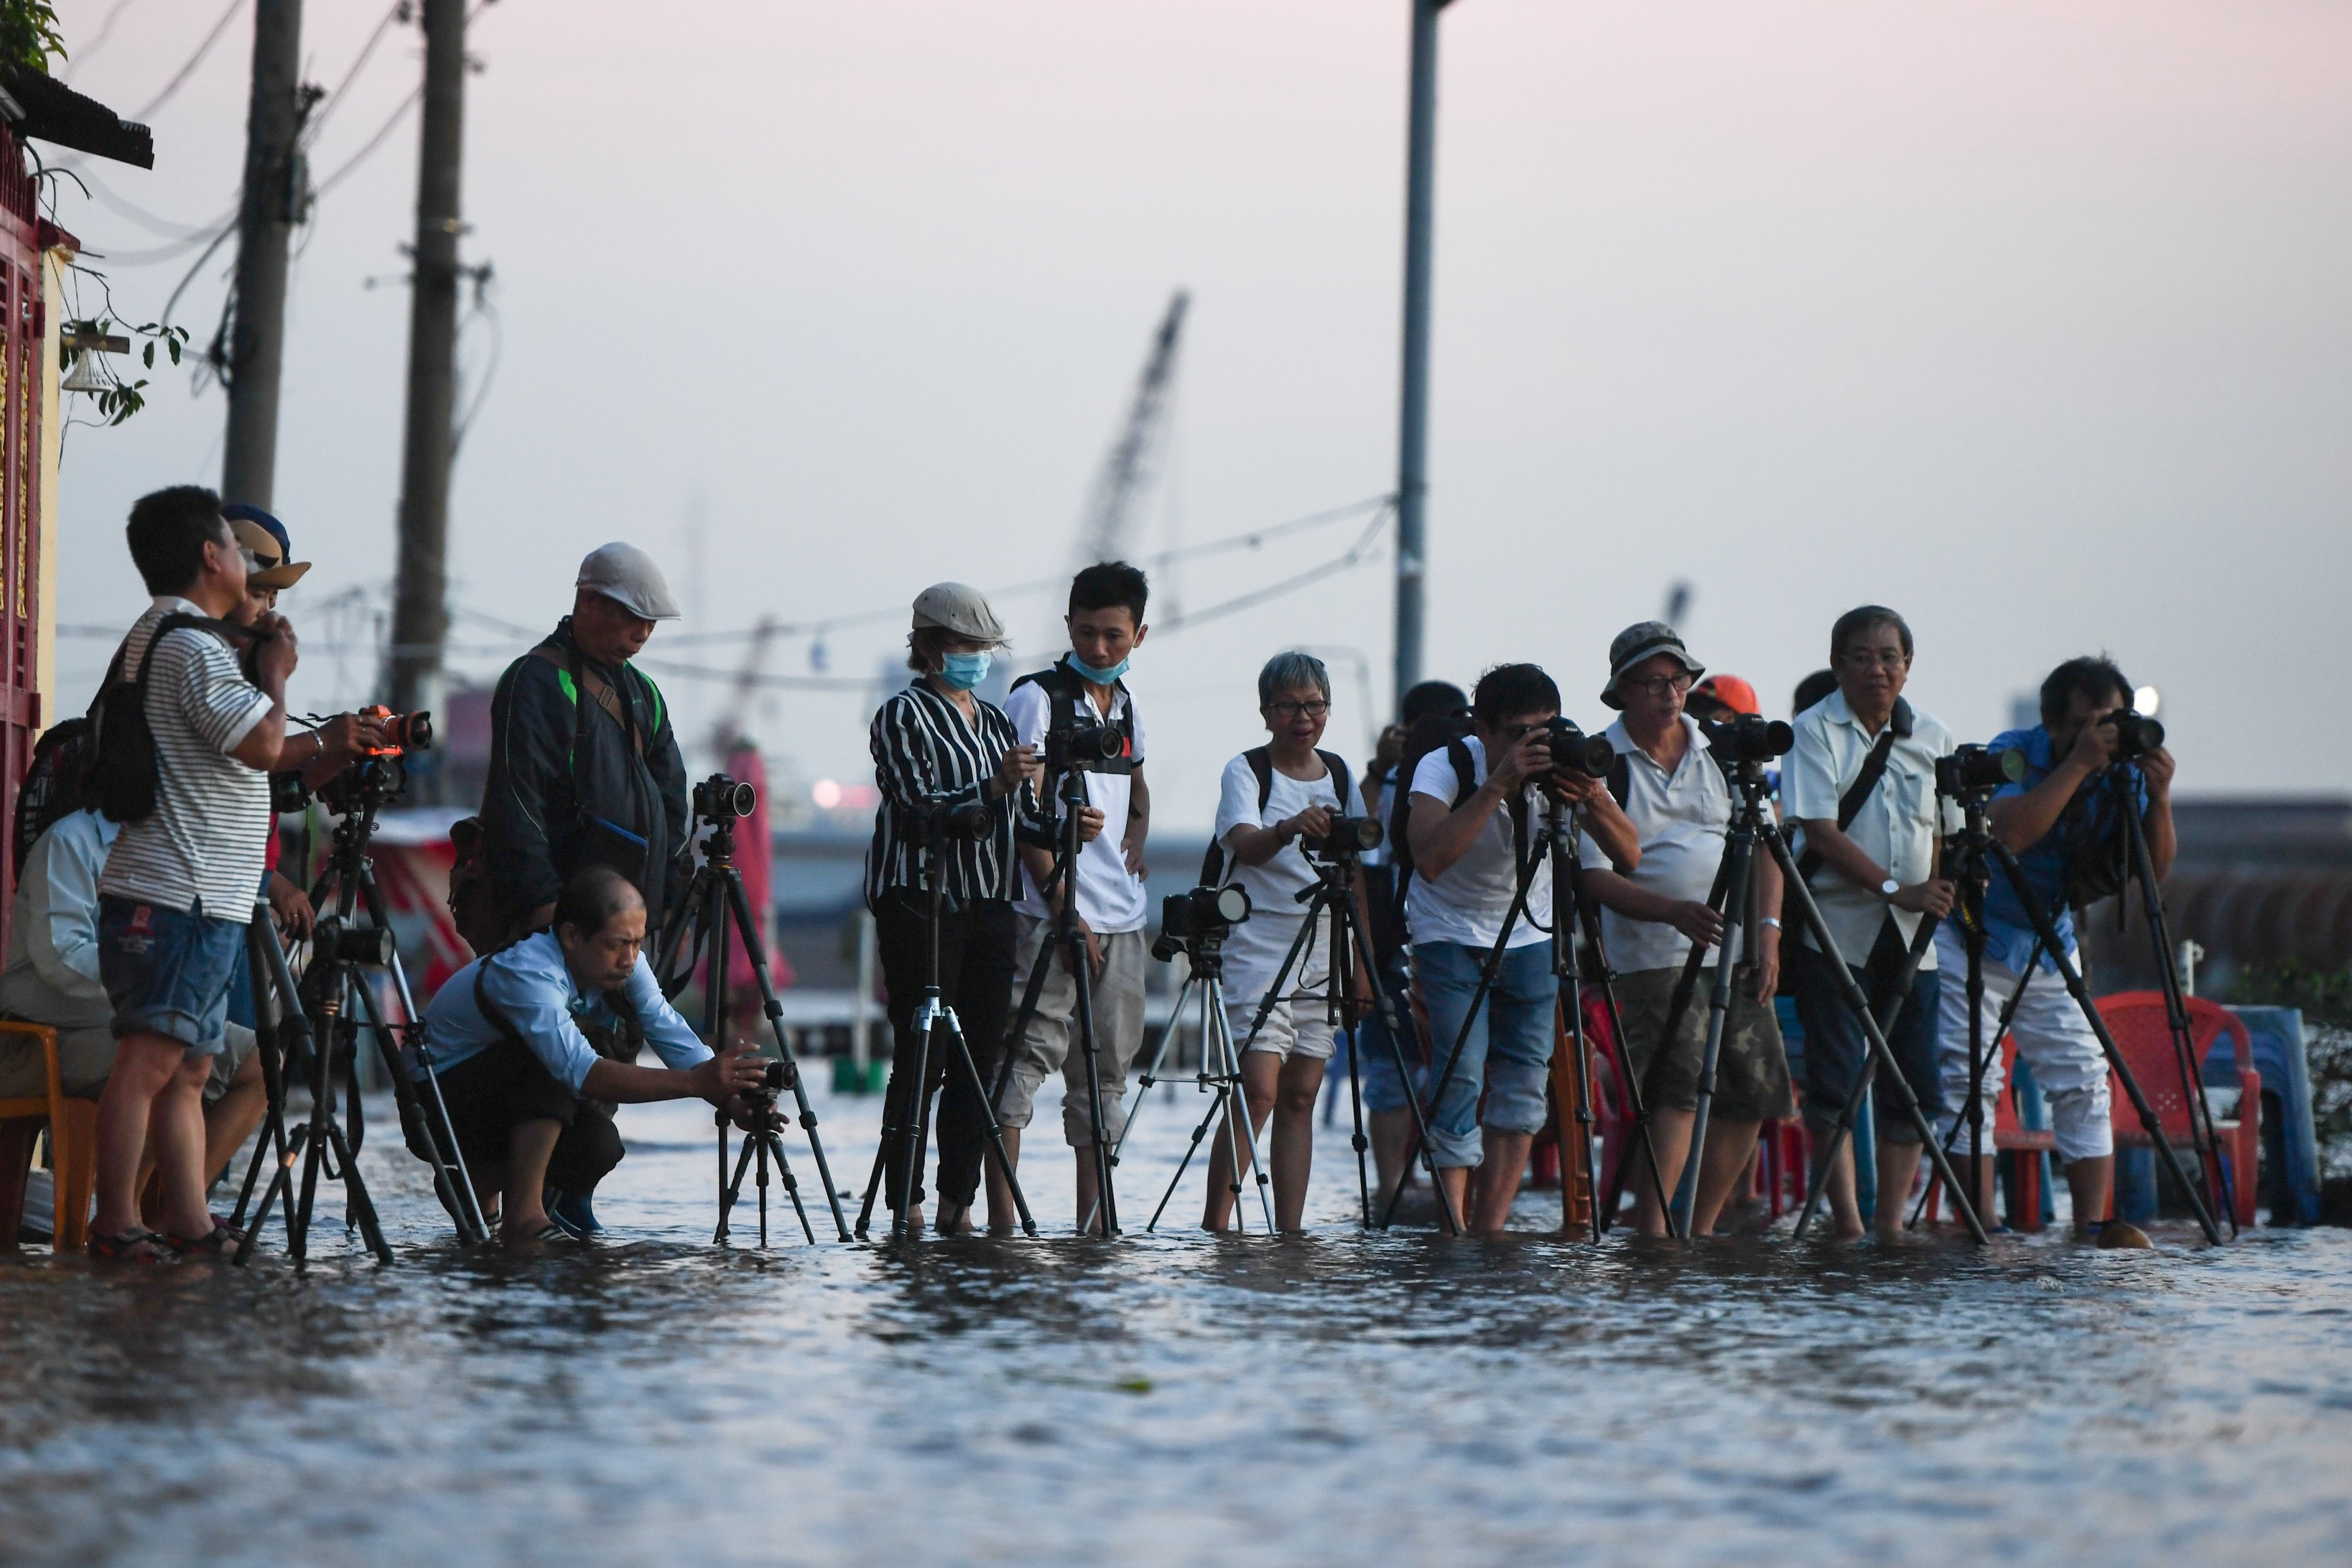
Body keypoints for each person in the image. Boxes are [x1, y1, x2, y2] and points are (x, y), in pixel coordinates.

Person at [85, 487, 299, 1261]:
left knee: (188, 1066)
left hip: (194, 895)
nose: (247, 566)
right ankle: (113, 1221)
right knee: (149, 1063)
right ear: (213, 557)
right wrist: (275, 668)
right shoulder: (189, 647)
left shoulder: (165, 638)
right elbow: (264, 745)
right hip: (175, 895)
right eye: (238, 551)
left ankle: (188, 1218)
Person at [867, 583, 1095, 1235]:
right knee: (923, 1052)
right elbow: (921, 811)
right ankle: (905, 1203)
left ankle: (955, 1204)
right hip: (921, 897)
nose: (975, 658)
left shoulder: (995, 723)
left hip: (994, 899)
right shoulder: (900, 716)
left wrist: (1067, 828)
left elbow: (1020, 819)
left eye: (983, 648)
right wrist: (993, 785)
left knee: (981, 1057)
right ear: (930, 648)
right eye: (964, 646)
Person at [1936, 656, 2171, 1246]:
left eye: (2113, 720)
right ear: (2052, 722)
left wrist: (2160, 797)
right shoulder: (2013, 752)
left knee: (2085, 1077)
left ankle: (2091, 1228)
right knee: (1970, 1081)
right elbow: (2007, 835)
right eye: (2089, 722)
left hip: (2045, 940)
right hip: (1970, 930)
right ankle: (1981, 1226)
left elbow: (2153, 874)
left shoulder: (2123, 771)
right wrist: (2077, 764)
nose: (2105, 734)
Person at [1404, 663, 1640, 1234]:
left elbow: (1630, 856)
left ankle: (1489, 1228)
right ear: (1482, 731)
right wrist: (1498, 784)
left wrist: (1592, 798)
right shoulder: (1447, 764)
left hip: (1532, 935)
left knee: (1523, 1083)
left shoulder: (1565, 765)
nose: (1535, 744)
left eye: (1546, 728)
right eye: (1518, 733)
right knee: (1459, 1078)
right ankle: (1453, 1231)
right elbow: (1430, 860)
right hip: (1449, 932)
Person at [1578, 623, 1793, 1238]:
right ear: (1623, 690)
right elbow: (1592, 877)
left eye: (1678, 680)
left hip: (1732, 950)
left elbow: (1769, 851)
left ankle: (1694, 1229)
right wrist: (1670, 911)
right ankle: (1651, 1233)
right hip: (1651, 956)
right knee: (1672, 1095)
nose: (1670, 694)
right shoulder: (1602, 762)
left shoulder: (1721, 751)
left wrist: (1768, 935)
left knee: (1750, 1093)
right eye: (1653, 682)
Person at [421, 867, 764, 1248]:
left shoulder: (625, 958)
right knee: (551, 1065)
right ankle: (523, 1218)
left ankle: (475, 1185)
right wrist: (696, 1083)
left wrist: (731, 1099)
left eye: (638, 943)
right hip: (436, 1100)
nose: (630, 959)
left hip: (501, 1092)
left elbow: (667, 1030)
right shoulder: (530, 972)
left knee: (599, 1147)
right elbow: (582, 1072)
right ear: (571, 936)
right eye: (618, 944)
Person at [1782, 605, 1957, 1243]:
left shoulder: (1932, 735)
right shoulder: (1814, 730)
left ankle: (1891, 1224)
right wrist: (1895, 889)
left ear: (1908, 666)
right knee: (1834, 1078)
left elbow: (1944, 830)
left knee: (1916, 1080)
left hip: (1916, 937)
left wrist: (1931, 891)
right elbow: (1820, 832)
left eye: (1890, 657)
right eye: (1862, 657)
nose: (1877, 669)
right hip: (1835, 929)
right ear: (1837, 666)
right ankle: (1848, 1221)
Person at [990, 563, 1151, 1235]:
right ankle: (1004, 1222)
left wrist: (1135, 837)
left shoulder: (1130, 705)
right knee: (1021, 1065)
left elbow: (1138, 787)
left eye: (1114, 636)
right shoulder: (1039, 698)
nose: (1100, 649)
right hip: (1048, 914)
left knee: (1106, 1079)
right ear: (1068, 628)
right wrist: (1063, 905)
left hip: (1122, 916)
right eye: (1087, 634)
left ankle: (1096, 1229)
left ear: (1140, 634)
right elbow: (1021, 818)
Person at [1198, 652, 1361, 1232]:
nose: (1303, 716)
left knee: (1301, 1094)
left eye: (1315, 704)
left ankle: (1290, 1233)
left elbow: (1357, 870)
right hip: (1258, 937)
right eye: (1290, 705)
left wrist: (1359, 969)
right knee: (1259, 1088)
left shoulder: (1340, 774)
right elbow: (1244, 843)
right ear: (1266, 711)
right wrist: (1289, 827)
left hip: (1324, 941)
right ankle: (1217, 1224)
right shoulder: (1248, 771)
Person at [480, 542, 690, 948]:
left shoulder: (645, 694)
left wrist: (668, 901)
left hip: (629, 930)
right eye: (633, 616)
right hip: (561, 929)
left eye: (651, 622)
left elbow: (673, 802)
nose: (643, 634)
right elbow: (516, 805)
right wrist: (543, 907)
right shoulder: (534, 682)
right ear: (589, 601)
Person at [1357, 678, 1469, 1210]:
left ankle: (1452, 1181)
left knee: (1459, 1061)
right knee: (1389, 1067)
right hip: (1392, 938)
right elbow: (1353, 836)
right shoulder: (1392, 777)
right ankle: (1390, 1183)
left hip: (1457, 928)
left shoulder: (1464, 770)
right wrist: (1381, 767)